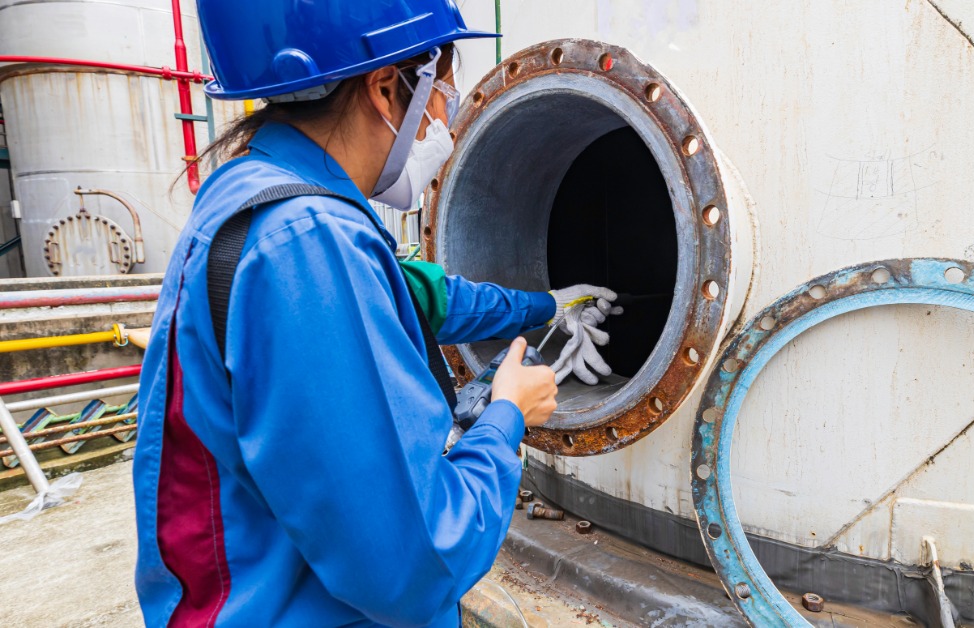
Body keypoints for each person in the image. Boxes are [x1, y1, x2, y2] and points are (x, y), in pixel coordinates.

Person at [131, 2, 619, 626]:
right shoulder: (307, 244)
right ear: (387, 88)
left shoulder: (262, 196)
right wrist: (505, 419)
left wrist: (549, 305)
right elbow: (416, 561)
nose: (443, 121)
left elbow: (425, 296)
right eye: (440, 91)